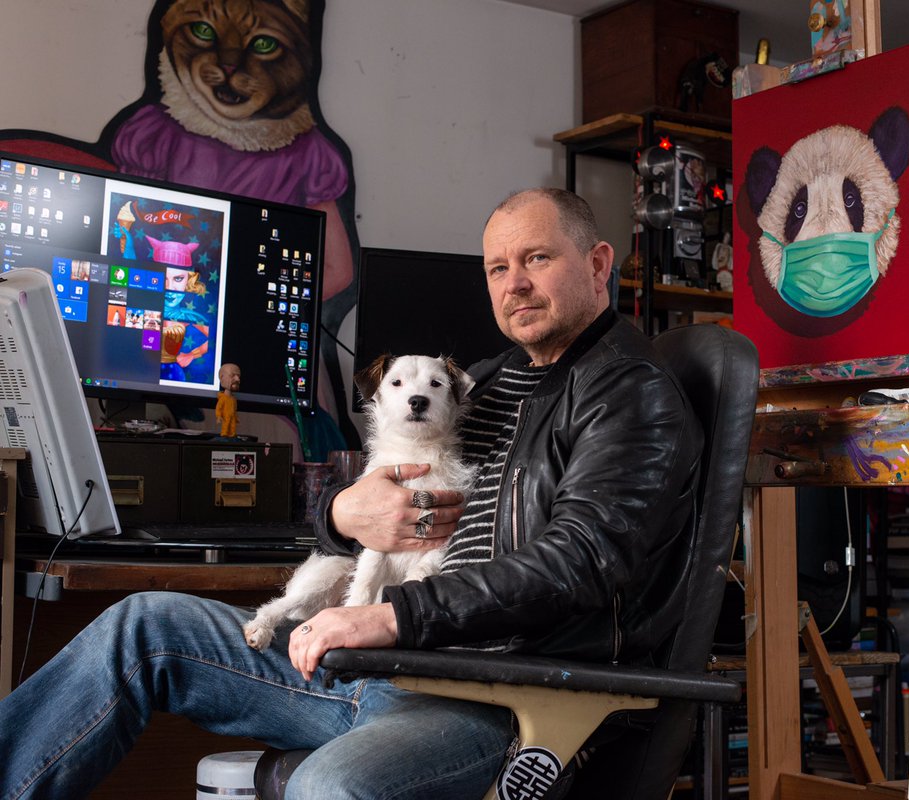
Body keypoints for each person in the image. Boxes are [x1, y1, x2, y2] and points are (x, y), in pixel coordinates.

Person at [0, 188, 702, 800]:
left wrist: (392, 617)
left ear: (598, 264)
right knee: (143, 626)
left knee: (329, 786)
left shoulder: (628, 393)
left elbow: (581, 562)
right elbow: (372, 499)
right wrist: (341, 514)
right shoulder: (484, 382)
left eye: (537, 258)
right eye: (497, 267)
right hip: (398, 665)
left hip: (501, 698)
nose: (514, 283)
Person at [216, 362, 241, 437]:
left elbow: (234, 409)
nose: (237, 379)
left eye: (238, 376)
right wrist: (219, 416)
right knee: (226, 426)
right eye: (232, 375)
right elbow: (219, 408)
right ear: (222, 378)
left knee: (232, 427)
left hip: (232, 417)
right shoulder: (223, 398)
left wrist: (236, 417)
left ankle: (232, 435)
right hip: (226, 417)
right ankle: (224, 434)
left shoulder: (233, 399)